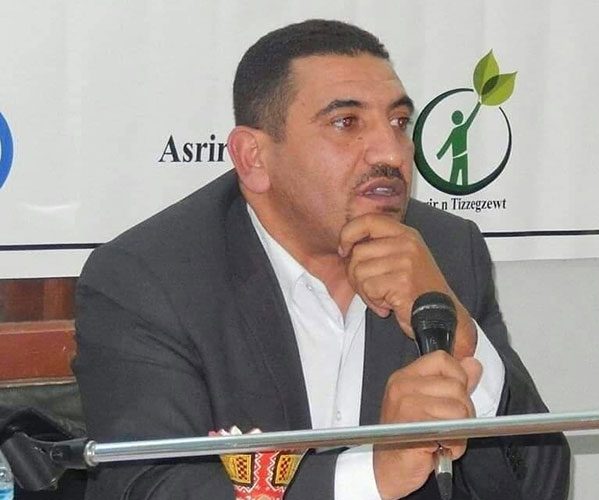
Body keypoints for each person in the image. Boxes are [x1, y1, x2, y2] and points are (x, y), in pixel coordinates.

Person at [73, 19, 570, 499]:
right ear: (253, 158)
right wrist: (374, 473)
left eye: (399, 122)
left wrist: (464, 341)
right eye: (346, 123)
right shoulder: (149, 279)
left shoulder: (446, 249)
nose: (392, 153)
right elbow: (149, 488)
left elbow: (542, 486)